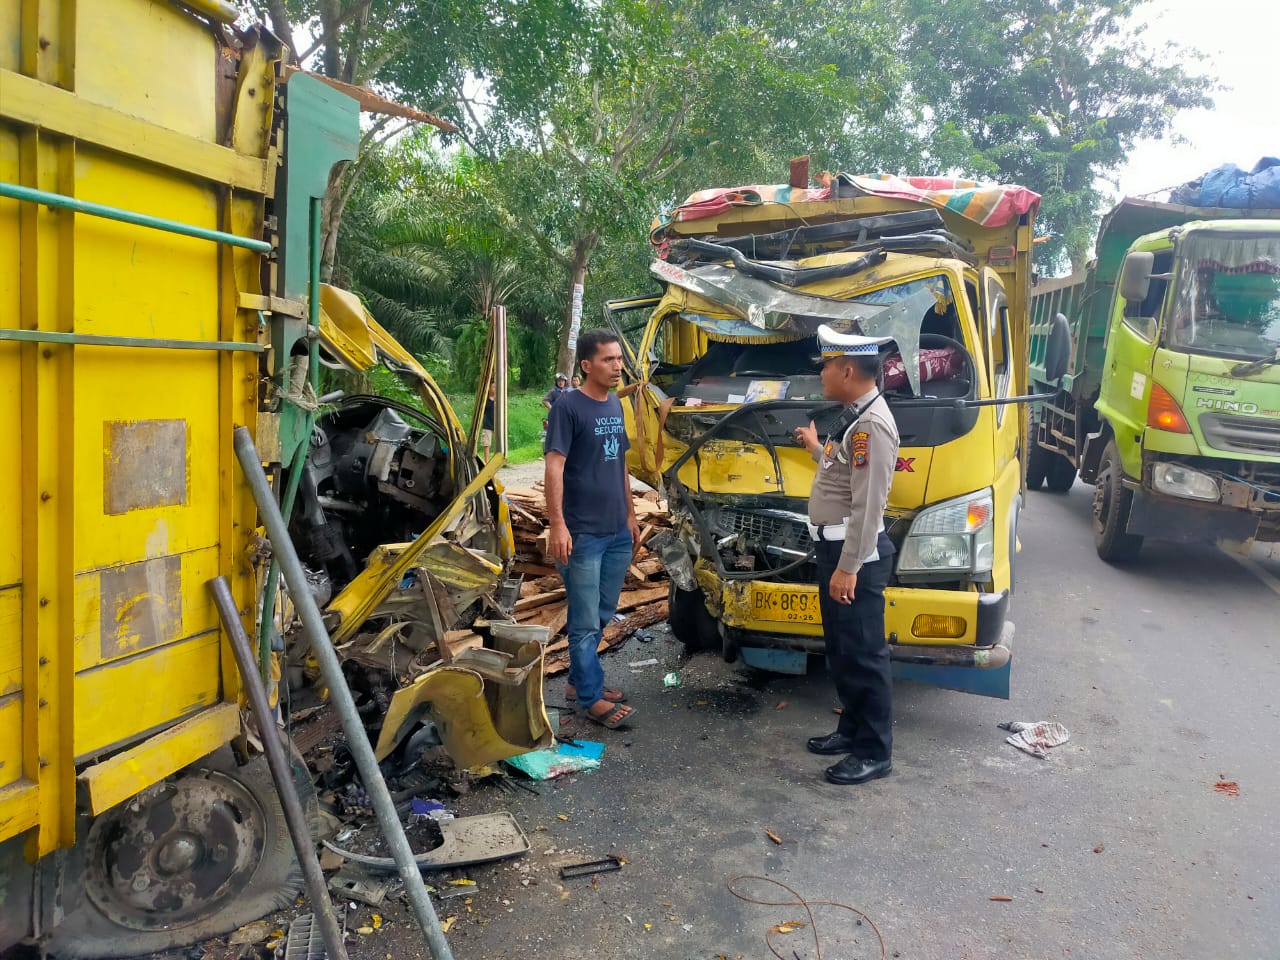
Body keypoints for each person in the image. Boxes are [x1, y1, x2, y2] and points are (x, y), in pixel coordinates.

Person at [792, 324, 899, 785]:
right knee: (842, 650)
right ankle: (851, 730)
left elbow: (869, 504)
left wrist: (848, 567)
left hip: (853, 553)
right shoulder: (856, 414)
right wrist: (818, 450)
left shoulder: (871, 426)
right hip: (834, 546)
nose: (822, 376)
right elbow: (843, 473)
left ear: (848, 369)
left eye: (827, 367)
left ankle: (874, 751)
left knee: (864, 654)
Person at [544, 331, 639, 728]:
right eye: (608, 360)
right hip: (582, 534)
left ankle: (579, 680)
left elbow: (619, 465)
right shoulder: (568, 407)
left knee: (602, 612)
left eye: (619, 359)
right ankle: (589, 696)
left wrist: (631, 516)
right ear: (586, 365)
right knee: (584, 622)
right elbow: (554, 466)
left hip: (617, 530)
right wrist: (557, 525)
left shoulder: (615, 404)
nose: (617, 366)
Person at [480, 383, 496, 460]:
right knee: (486, 443)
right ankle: (486, 461)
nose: (495, 388)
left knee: (499, 443)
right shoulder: (485, 399)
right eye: (493, 387)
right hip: (487, 423)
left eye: (496, 387)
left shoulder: (499, 399)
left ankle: (498, 459)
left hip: (497, 424)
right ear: (489, 388)